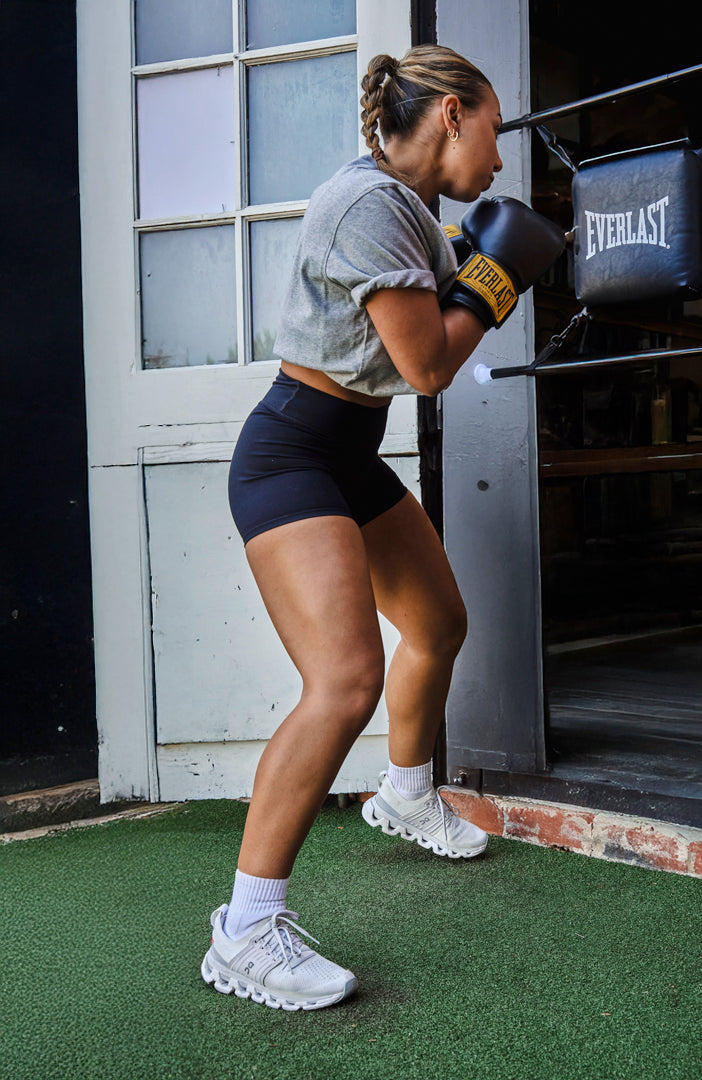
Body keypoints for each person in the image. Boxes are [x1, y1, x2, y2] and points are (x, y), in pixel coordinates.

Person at [200, 44, 564, 1011]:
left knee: (439, 625)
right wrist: (498, 277)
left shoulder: (403, 208)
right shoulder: (369, 208)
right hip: (292, 458)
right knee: (346, 678)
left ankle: (404, 795)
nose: (498, 156)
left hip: (349, 456)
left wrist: (477, 259)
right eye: (493, 128)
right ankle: (244, 929)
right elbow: (428, 366)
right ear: (451, 113)